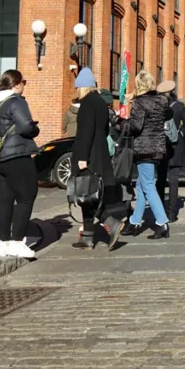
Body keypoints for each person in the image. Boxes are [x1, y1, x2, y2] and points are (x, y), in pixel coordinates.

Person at [0, 70, 40, 258]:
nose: (23, 85)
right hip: (16, 155)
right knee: (26, 197)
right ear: (16, 84)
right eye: (23, 82)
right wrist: (36, 128)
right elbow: (26, 126)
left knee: (3, 200)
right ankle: (18, 243)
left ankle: (4, 244)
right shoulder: (16, 101)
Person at [70, 69, 123, 249]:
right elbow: (105, 130)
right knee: (89, 195)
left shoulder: (87, 103)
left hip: (88, 155)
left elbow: (86, 132)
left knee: (87, 195)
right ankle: (87, 237)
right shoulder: (101, 102)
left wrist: (82, 158)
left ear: (82, 87)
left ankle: (111, 223)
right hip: (100, 153)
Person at [120, 70, 172, 239]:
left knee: (148, 185)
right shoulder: (162, 101)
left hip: (144, 149)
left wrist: (120, 122)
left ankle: (162, 223)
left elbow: (135, 127)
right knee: (141, 186)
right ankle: (134, 222)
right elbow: (168, 115)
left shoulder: (140, 103)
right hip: (158, 148)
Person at [156, 80, 185, 222]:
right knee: (174, 180)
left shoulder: (157, 106)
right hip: (176, 146)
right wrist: (180, 133)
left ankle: (160, 211)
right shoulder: (179, 106)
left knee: (160, 180)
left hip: (160, 146)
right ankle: (172, 214)